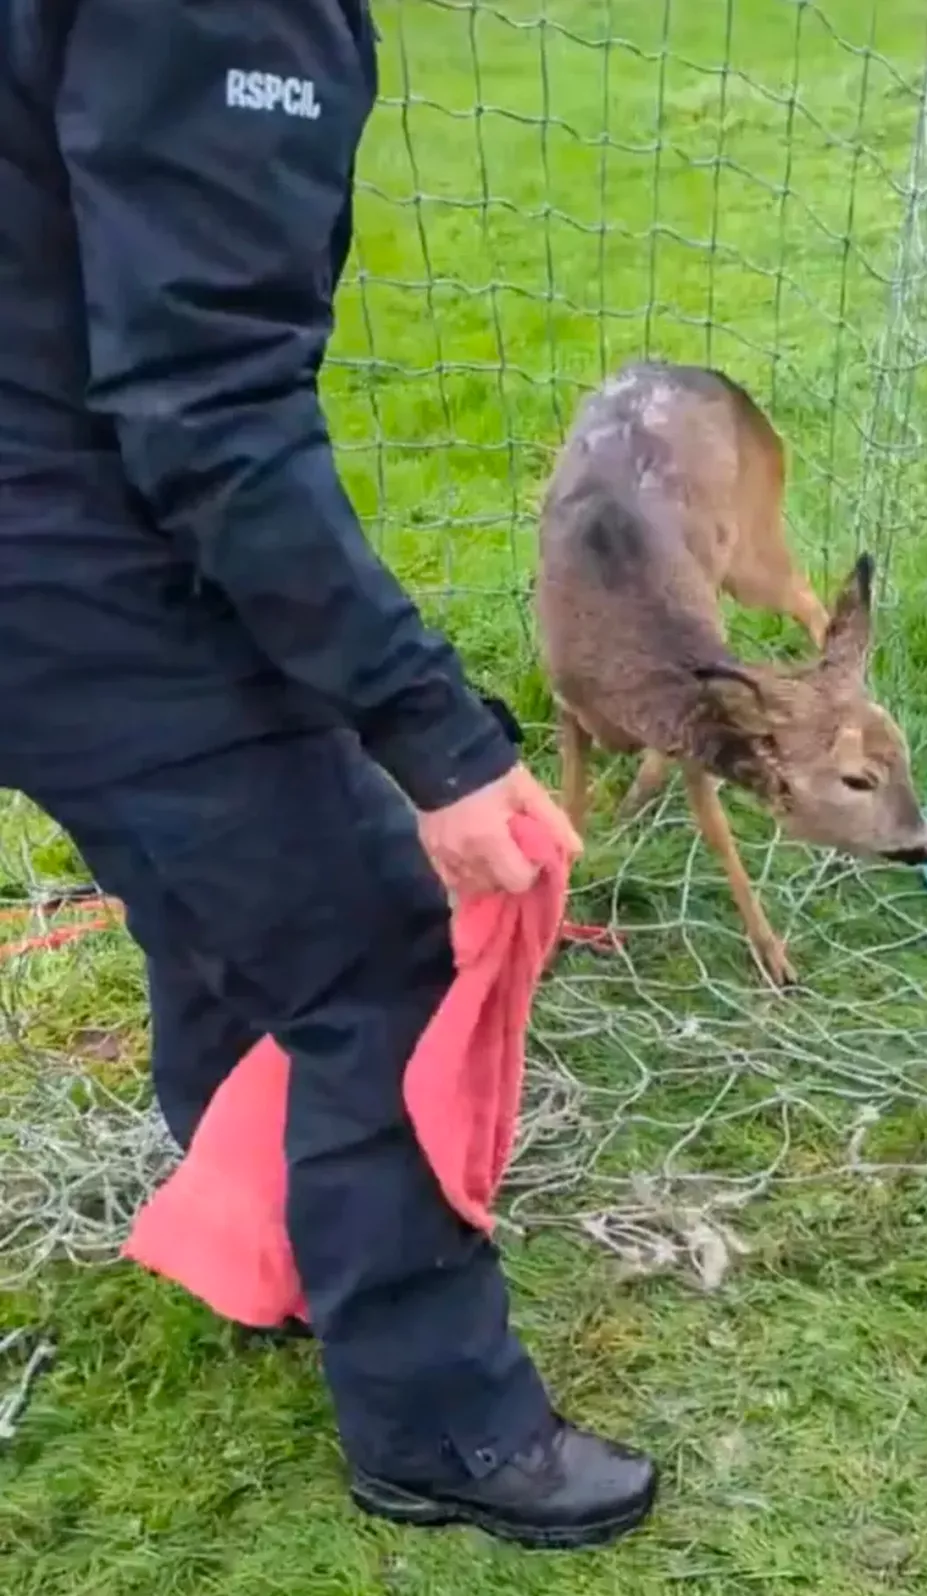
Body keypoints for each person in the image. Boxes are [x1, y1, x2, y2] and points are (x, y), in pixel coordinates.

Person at [0, 0, 657, 1552]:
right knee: (381, 943)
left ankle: (275, 1233)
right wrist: (435, 736)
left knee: (234, 881)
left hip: (54, 521)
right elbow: (206, 404)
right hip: (63, 558)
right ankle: (443, 1425)